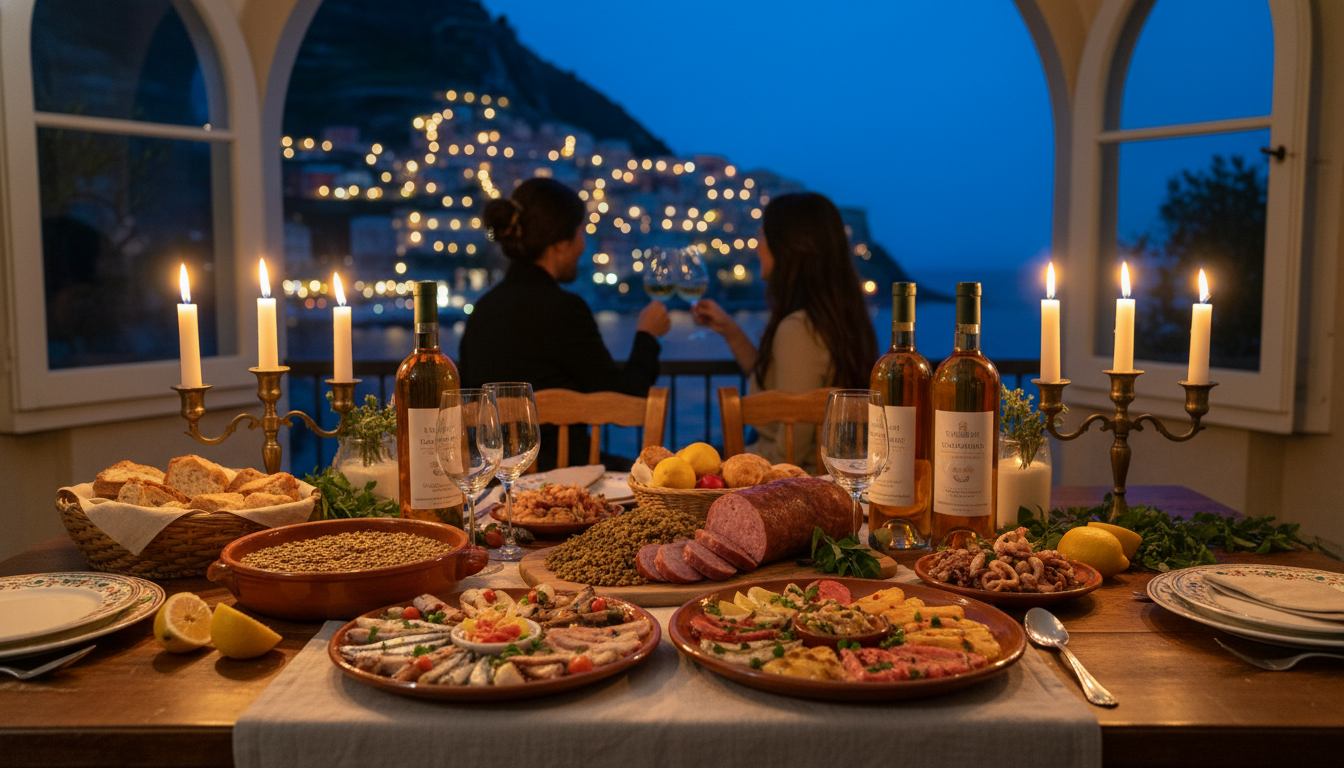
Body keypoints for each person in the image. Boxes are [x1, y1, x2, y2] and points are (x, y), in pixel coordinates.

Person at [459, 177, 671, 470]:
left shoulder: (482, 310)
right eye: (581, 232)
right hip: (568, 481)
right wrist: (648, 334)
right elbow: (625, 398)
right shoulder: (564, 309)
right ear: (559, 244)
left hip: (497, 482)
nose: (584, 245)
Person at [692, 192, 877, 474]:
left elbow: (789, 451)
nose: (758, 247)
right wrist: (731, 331)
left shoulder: (798, 329)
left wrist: (726, 464)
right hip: (828, 476)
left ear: (788, 248)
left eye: (764, 236)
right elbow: (783, 389)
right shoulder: (838, 319)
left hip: (796, 483)